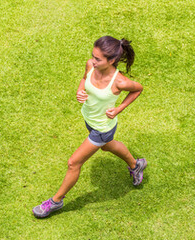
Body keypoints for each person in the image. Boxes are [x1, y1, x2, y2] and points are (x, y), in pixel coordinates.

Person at [33, 36, 147, 218]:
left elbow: (138, 89)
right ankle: (136, 165)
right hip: (89, 118)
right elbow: (84, 79)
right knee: (108, 147)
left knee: (74, 163)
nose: (93, 62)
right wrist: (80, 91)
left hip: (102, 127)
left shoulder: (120, 82)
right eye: (93, 56)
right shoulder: (90, 66)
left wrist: (119, 109)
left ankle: (55, 201)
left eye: (98, 59)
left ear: (111, 61)